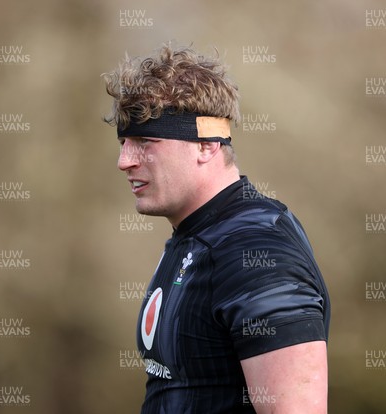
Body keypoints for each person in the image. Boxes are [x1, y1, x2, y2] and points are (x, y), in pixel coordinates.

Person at [103, 44, 330, 414]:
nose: (124, 161)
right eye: (125, 142)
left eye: (145, 142)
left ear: (207, 144)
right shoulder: (193, 238)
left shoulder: (256, 249)